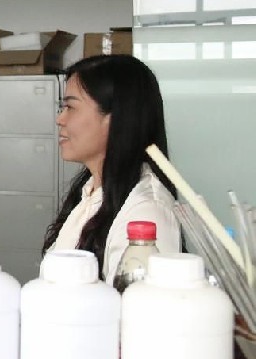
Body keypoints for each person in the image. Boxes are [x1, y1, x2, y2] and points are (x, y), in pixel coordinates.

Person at [43, 54, 181, 284]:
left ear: (116, 117)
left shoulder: (146, 212)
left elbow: (135, 303)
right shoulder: (90, 192)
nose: (60, 119)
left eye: (70, 107)